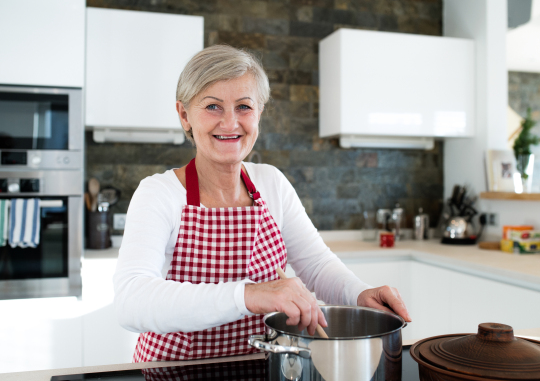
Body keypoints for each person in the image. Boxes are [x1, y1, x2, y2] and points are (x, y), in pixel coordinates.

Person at [113, 45, 411, 363]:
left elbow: (317, 265)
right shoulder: (159, 193)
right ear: (185, 115)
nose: (230, 123)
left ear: (259, 113)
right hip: (176, 371)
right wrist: (252, 294)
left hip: (262, 367)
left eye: (243, 106)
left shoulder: (271, 182)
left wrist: (360, 294)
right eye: (213, 106)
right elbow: (132, 301)